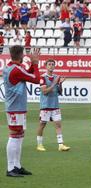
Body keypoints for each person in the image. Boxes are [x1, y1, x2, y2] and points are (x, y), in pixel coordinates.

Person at [3, 46, 40, 177]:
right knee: (14, 136)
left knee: (19, 135)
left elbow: (28, 74)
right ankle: (10, 168)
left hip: (16, 107)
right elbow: (36, 79)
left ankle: (16, 166)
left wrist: (31, 66)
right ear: (21, 55)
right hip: (15, 107)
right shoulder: (16, 70)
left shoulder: (11, 67)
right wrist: (35, 63)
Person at [36, 59, 70, 152]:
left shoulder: (56, 77)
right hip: (45, 105)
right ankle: (39, 144)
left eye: (52, 64)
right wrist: (55, 83)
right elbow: (44, 91)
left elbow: (60, 92)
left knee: (58, 124)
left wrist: (60, 84)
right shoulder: (42, 77)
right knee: (42, 124)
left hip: (55, 104)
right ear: (45, 66)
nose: (51, 66)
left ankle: (61, 144)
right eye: (49, 64)